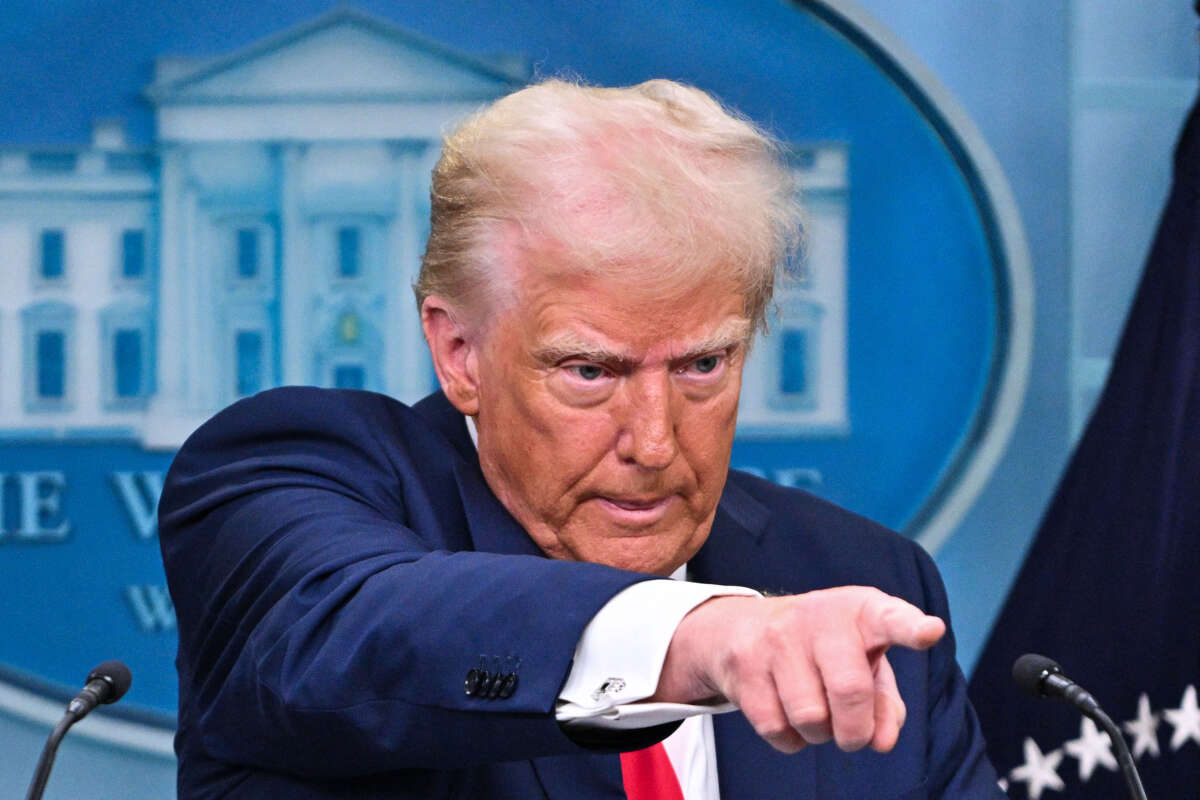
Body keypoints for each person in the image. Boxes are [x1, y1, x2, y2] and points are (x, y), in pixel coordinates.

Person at [159, 79, 1004, 799]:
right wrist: (697, 637)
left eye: (703, 364)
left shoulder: (867, 582)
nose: (654, 442)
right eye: (590, 372)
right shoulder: (286, 477)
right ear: (461, 354)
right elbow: (357, 633)